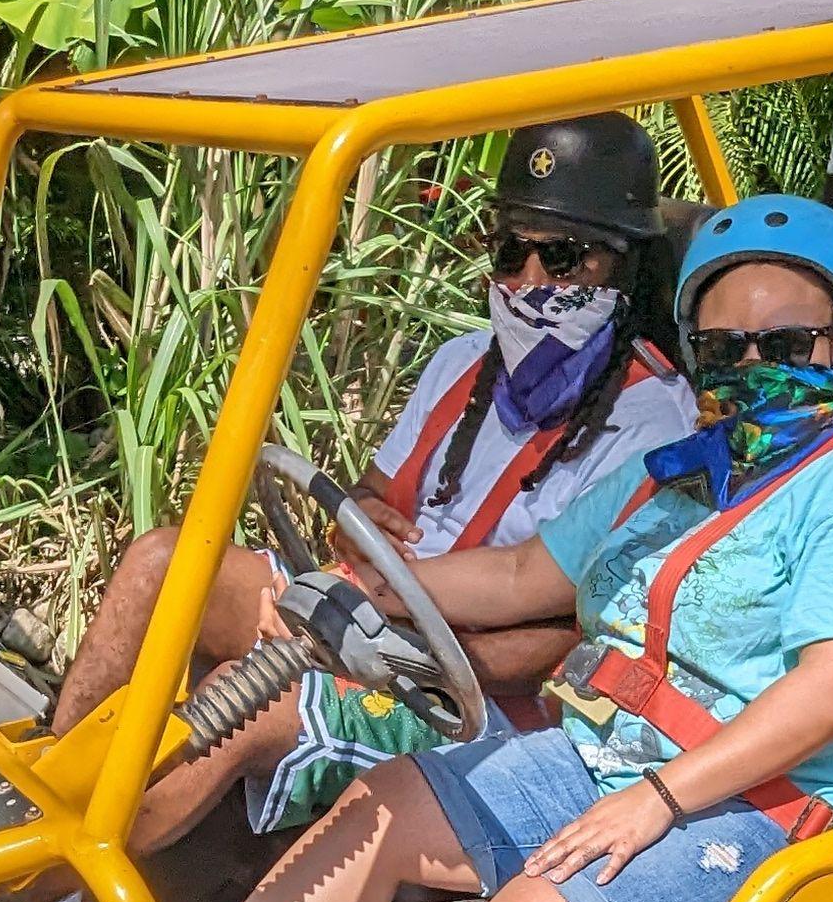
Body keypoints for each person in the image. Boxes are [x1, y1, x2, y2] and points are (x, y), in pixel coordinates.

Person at [35, 195, 833, 902]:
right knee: (384, 804)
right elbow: (523, 577)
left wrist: (660, 800)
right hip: (616, 752)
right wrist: (379, 586)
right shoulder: (683, 470)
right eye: (725, 350)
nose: (755, 368)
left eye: (787, 340)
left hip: (767, 802)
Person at [41, 115, 697, 850]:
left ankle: (65, 887)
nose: (530, 282)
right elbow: (365, 495)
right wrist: (356, 523)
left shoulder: (652, 427)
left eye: (565, 258)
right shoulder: (462, 362)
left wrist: (383, 650)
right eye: (512, 251)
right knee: (163, 565)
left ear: (622, 267)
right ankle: (44, 800)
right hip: (355, 600)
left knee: (250, 700)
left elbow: (581, 640)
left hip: (468, 683)